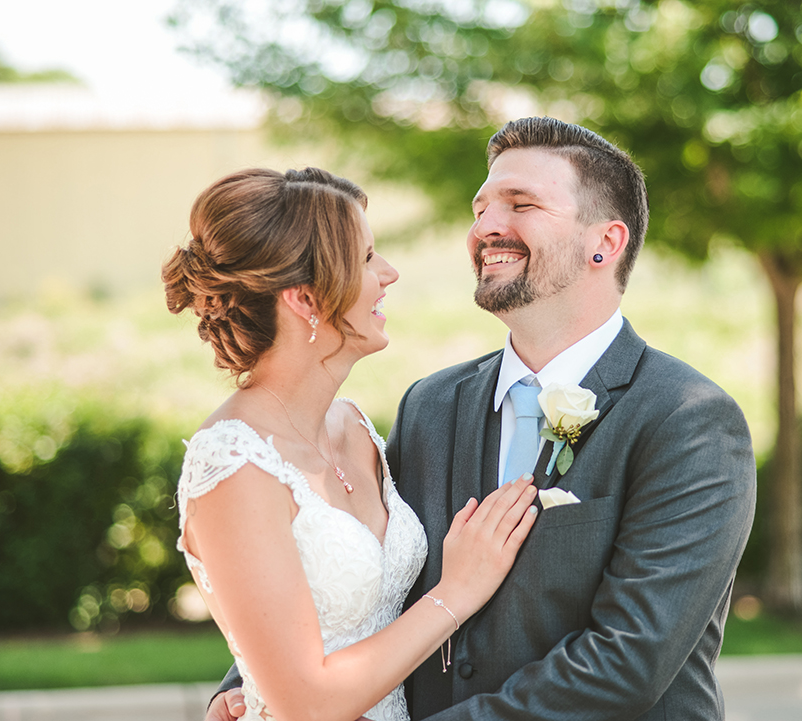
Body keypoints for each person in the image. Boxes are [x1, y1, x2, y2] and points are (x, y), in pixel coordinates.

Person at [210, 117, 756, 720]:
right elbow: (364, 562)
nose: (486, 227)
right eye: (481, 208)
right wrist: (253, 687)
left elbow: (626, 664)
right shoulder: (431, 405)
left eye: (520, 204)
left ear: (606, 242)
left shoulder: (689, 420)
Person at [162, 166, 539, 721]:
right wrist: (457, 593)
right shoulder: (234, 464)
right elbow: (307, 701)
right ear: (306, 299)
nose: (388, 273)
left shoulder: (355, 428)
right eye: (365, 259)